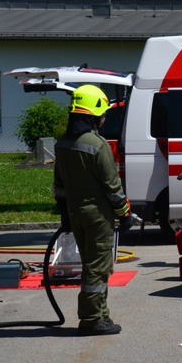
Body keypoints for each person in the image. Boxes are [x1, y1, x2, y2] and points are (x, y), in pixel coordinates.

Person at [53, 85, 133, 336]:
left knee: (91, 263)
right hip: (98, 215)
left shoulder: (63, 143)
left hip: (75, 213)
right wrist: (124, 213)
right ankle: (91, 319)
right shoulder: (97, 145)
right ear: (93, 114)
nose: (105, 117)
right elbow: (113, 187)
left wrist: (65, 215)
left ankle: (100, 314)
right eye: (103, 112)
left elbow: (59, 185)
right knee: (98, 267)